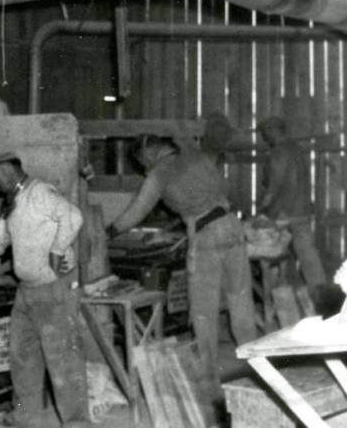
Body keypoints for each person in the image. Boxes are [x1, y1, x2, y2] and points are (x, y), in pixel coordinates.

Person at [0, 152, 90, 428]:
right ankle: (25, 418)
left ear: (5, 171)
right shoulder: (15, 203)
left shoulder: (39, 193)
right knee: (22, 356)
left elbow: (74, 216)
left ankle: (77, 426)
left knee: (62, 358)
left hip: (52, 289)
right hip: (27, 290)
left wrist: (57, 251)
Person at [107, 135, 256, 378]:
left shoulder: (159, 172)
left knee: (202, 307)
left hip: (207, 236)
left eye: (142, 163)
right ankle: (256, 361)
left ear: (147, 153)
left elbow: (137, 210)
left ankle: (208, 370)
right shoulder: (196, 158)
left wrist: (110, 231)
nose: (145, 169)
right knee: (240, 298)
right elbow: (221, 190)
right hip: (231, 226)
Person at [257, 116, 326, 289]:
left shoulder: (278, 152)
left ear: (274, 130)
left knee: (271, 256)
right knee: (307, 254)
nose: (265, 138)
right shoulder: (296, 149)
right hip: (301, 210)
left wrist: (263, 208)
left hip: (283, 213)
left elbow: (275, 186)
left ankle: (276, 295)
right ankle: (320, 291)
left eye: (265, 134)